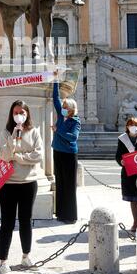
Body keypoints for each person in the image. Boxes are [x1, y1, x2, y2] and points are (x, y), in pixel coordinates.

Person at [0, 100, 43, 274]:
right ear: (11, 114)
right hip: (8, 184)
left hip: (28, 182)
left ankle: (26, 255)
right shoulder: (5, 132)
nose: (18, 115)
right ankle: (3, 262)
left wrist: (18, 157)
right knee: (7, 223)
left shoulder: (34, 131)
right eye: (15, 112)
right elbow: (4, 156)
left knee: (26, 220)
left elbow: (38, 155)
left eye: (21, 112)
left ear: (27, 113)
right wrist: (13, 141)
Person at [52, 73, 81, 224]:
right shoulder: (60, 115)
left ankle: (70, 215)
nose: (62, 108)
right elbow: (55, 99)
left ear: (70, 109)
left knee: (69, 185)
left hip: (69, 154)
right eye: (62, 106)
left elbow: (73, 137)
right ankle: (61, 213)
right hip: (57, 151)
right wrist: (55, 81)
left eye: (65, 107)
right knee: (60, 183)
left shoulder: (75, 121)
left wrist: (58, 131)